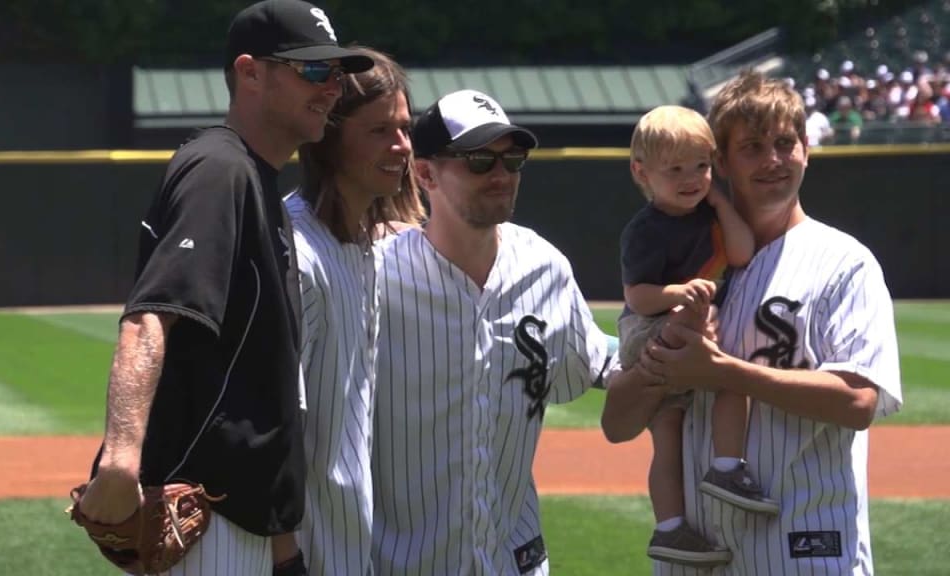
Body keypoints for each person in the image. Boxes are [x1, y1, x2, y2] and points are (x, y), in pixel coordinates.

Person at [75, 1, 372, 574]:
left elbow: (267, 394)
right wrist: (119, 463)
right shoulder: (220, 170)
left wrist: (284, 548)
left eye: (337, 72)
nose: (332, 87)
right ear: (250, 72)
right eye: (313, 69)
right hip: (210, 527)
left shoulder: (259, 182)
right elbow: (151, 317)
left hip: (250, 529)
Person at [602, 71, 902, 575]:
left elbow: (858, 401)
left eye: (786, 143)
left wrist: (724, 373)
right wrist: (659, 368)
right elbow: (617, 424)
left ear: (807, 148)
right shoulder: (682, 264)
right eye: (753, 146)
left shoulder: (844, 263)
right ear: (719, 161)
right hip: (698, 561)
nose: (773, 160)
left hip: (806, 549)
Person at [370, 89, 615, 575]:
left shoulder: (545, 267)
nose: (501, 174)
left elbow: (592, 365)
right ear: (425, 173)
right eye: (479, 159)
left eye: (513, 158)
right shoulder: (374, 280)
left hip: (516, 562)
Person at [285, 47, 426, 575]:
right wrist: (285, 560)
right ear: (329, 136)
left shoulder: (364, 244)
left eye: (405, 129)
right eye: (379, 131)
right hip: (306, 551)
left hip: (350, 547)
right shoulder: (297, 254)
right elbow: (274, 429)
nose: (402, 146)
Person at [620, 105, 776, 569]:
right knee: (723, 382)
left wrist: (723, 205)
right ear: (642, 173)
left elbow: (743, 252)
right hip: (649, 329)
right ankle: (716, 481)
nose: (693, 179)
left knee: (685, 419)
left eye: (702, 166)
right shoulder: (644, 230)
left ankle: (680, 517)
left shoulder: (707, 215)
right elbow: (639, 296)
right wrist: (678, 293)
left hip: (680, 327)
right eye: (675, 169)